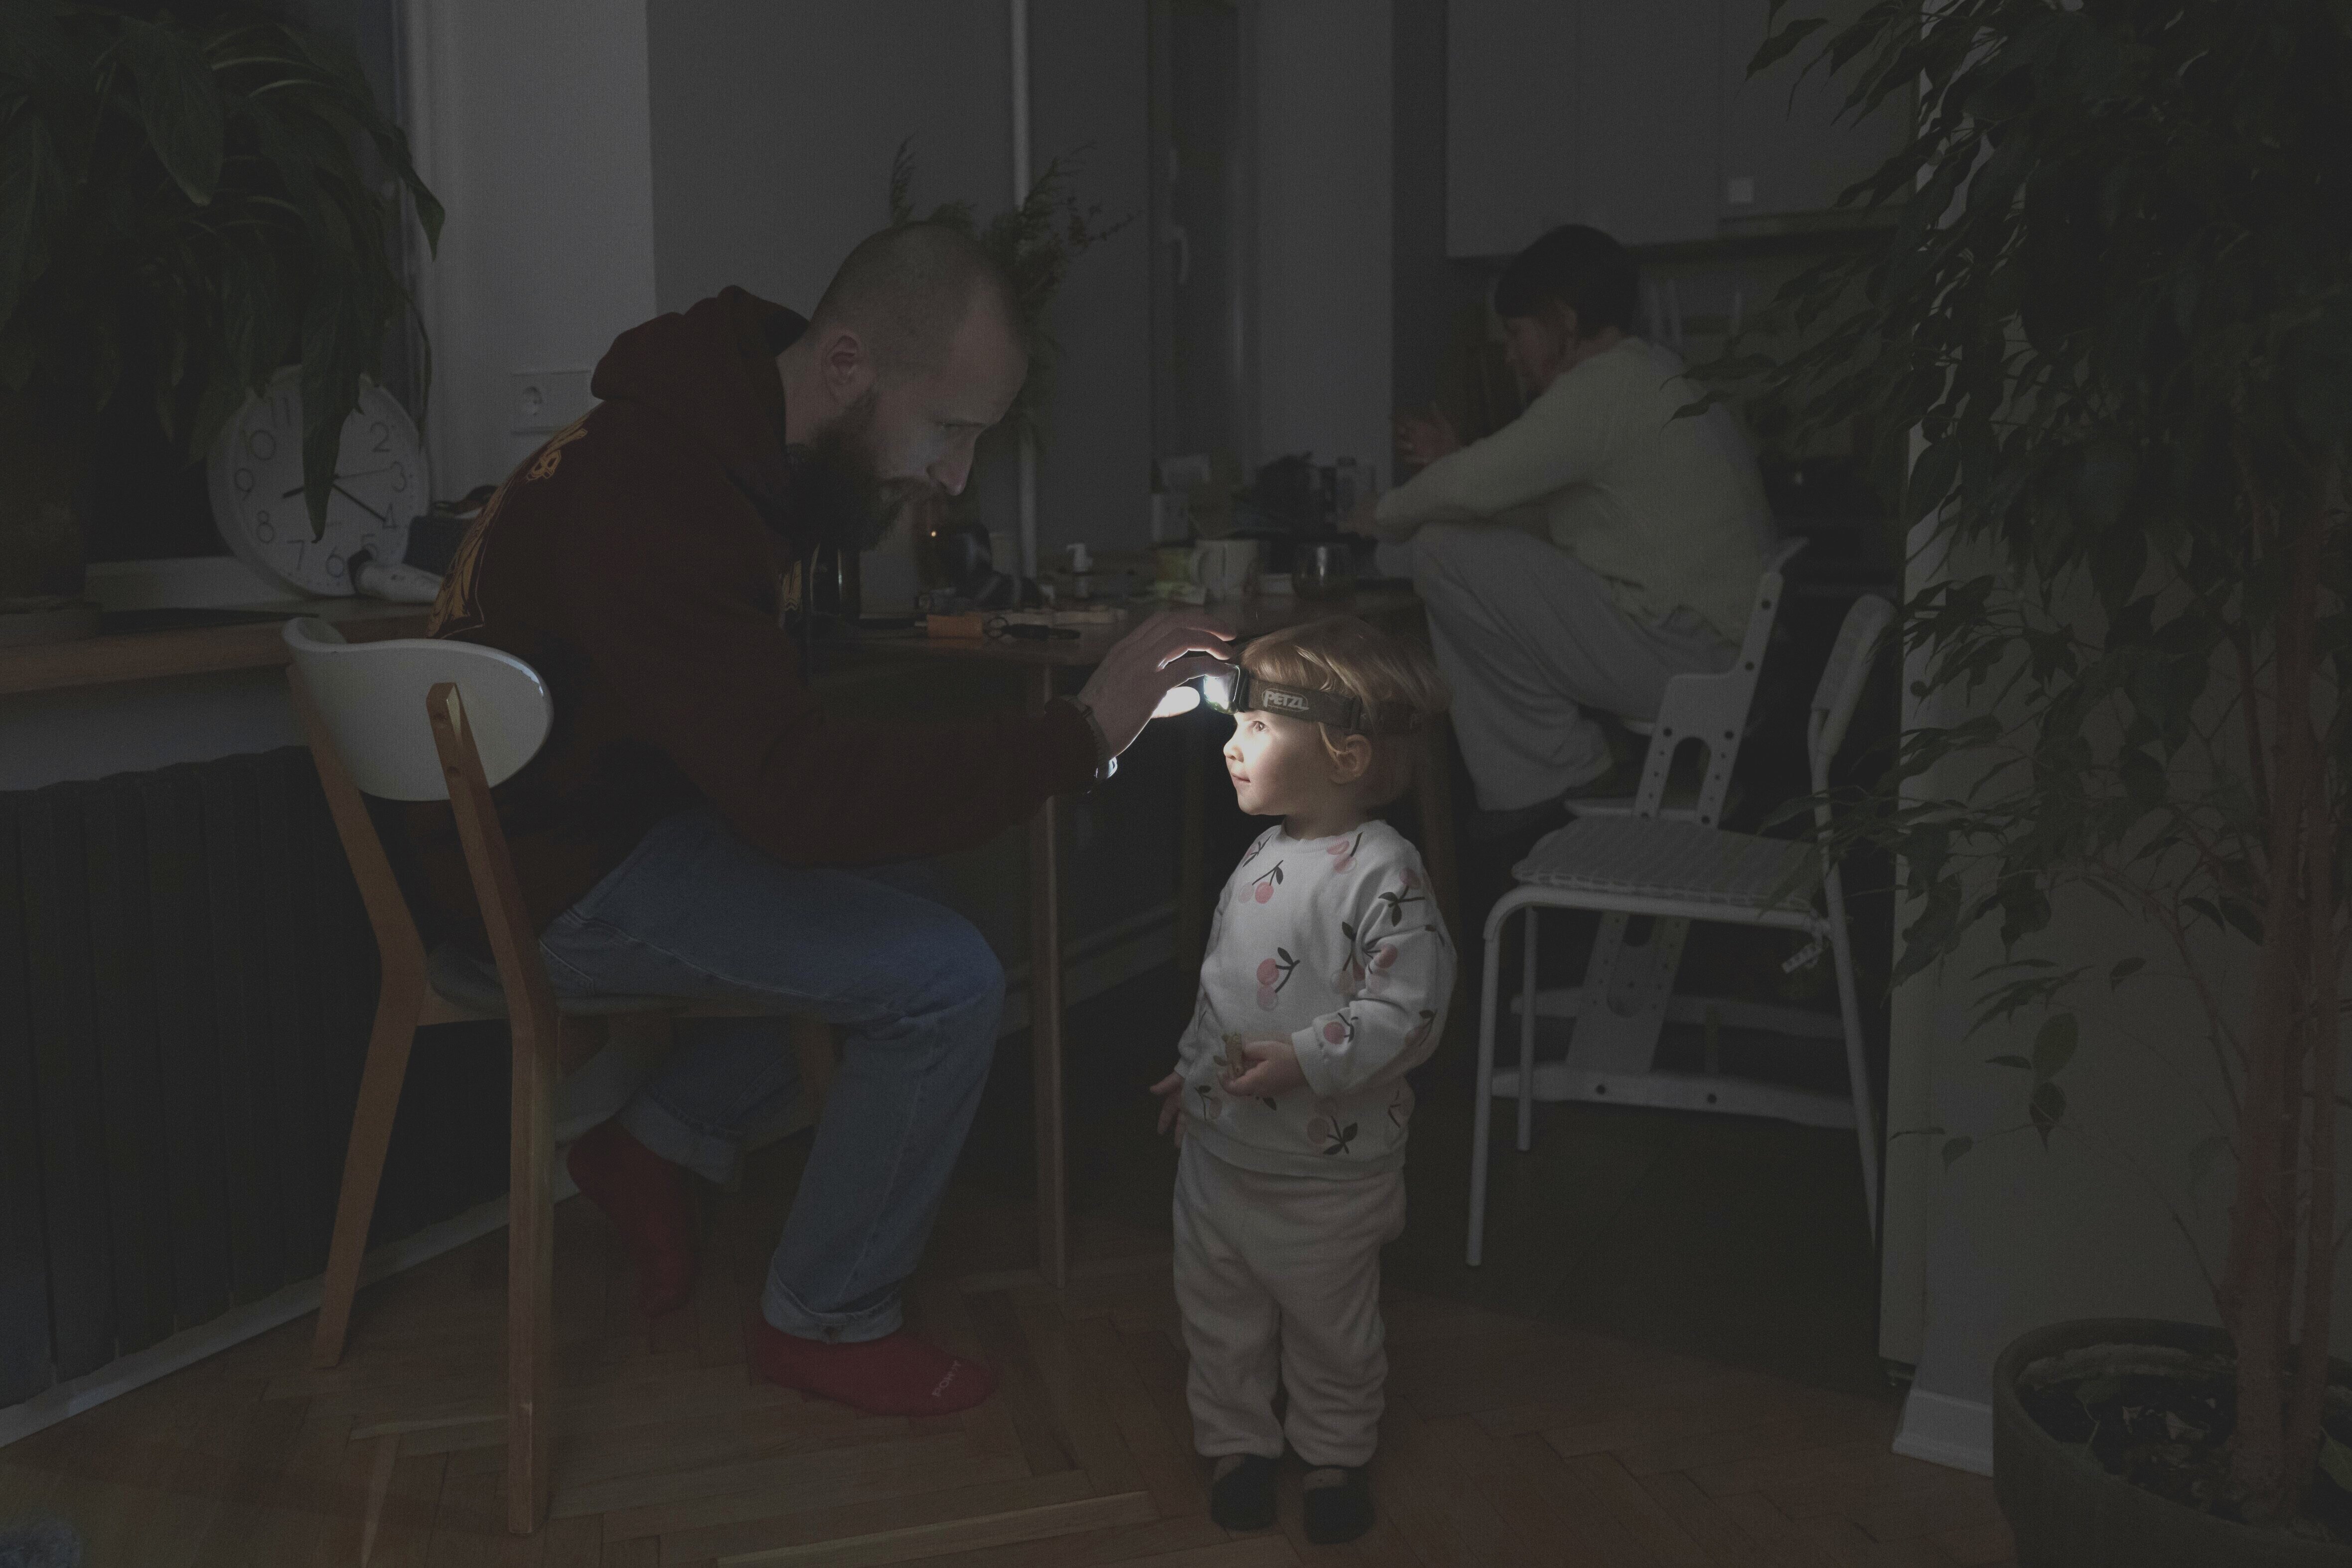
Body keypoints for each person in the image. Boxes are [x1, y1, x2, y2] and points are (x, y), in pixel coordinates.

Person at [415, 223, 1231, 1419]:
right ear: (844, 366)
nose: (954, 477)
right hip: (536, 882)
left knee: (930, 904)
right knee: (943, 976)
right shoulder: (660, 497)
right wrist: (1080, 732)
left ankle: (659, 1139)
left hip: (587, 827)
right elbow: (795, 796)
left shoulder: (719, 440)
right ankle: (827, 1315)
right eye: (949, 431)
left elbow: (769, 761)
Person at [1148, 618, 1454, 1545]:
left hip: (1328, 1176)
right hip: (1222, 1157)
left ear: (1346, 754)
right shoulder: (1262, 854)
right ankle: (1239, 1443)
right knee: (1220, 1313)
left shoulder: (1383, 874)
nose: (1232, 743)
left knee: (1331, 1330)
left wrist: (1310, 1056)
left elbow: (1410, 1006)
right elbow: (1228, 984)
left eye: (1258, 729)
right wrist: (1195, 1070)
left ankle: (1333, 1454)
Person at [1359, 224, 1772, 838]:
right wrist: (1459, 468)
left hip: (1687, 660)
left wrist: (1374, 516)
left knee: (1438, 548)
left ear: (1563, 321)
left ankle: (1550, 776)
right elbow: (1538, 514)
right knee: (1455, 543)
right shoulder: (1653, 372)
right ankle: (1548, 773)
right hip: (1712, 649)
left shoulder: (1603, 385)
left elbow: (1473, 488)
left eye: (1519, 334)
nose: (1509, 354)